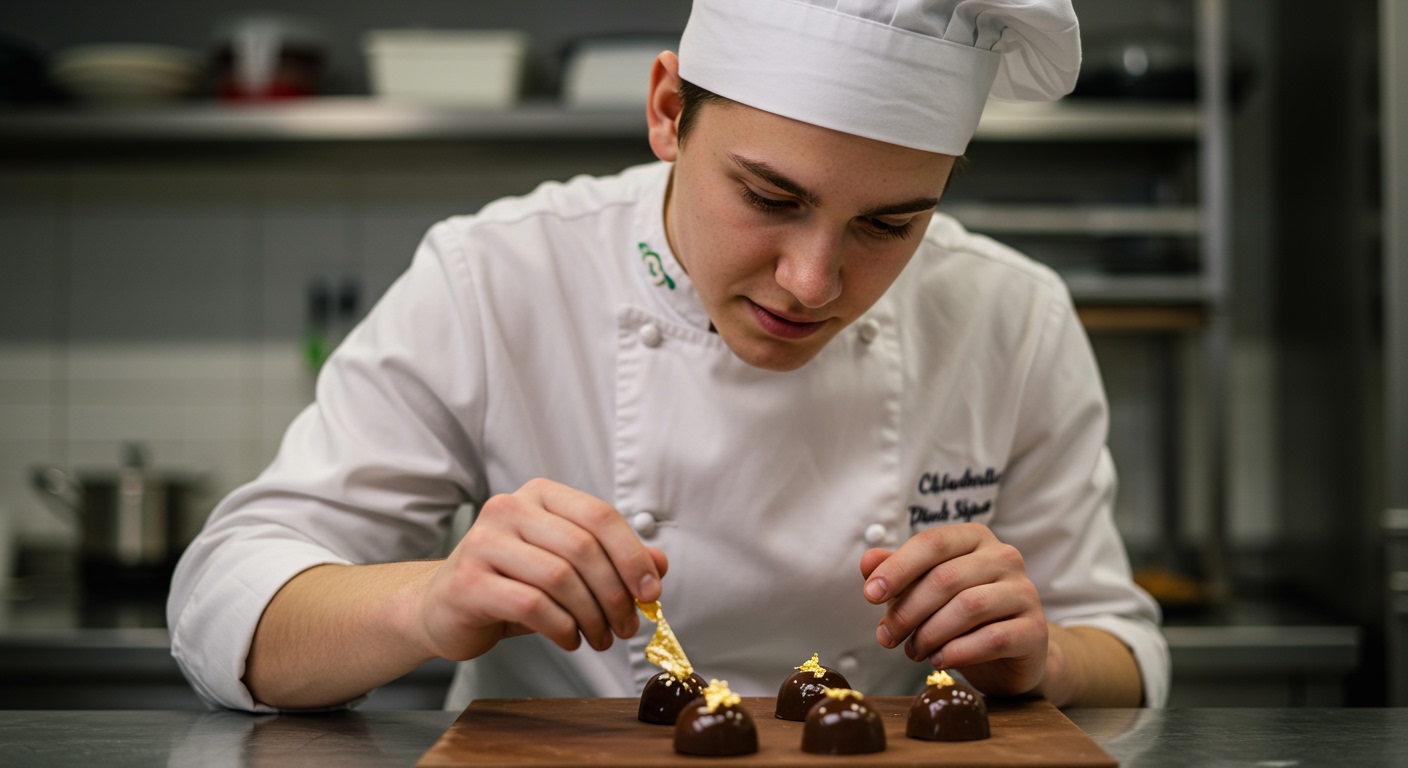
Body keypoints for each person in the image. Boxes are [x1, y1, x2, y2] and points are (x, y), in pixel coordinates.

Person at [169, 0, 1169, 713]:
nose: (811, 280)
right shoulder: (497, 277)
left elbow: (1126, 651)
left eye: (890, 225)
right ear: (665, 111)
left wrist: (1043, 661)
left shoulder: (1010, 316)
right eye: (770, 200)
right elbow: (226, 607)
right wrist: (428, 601)